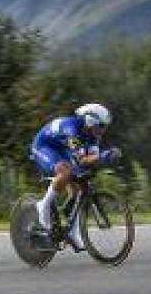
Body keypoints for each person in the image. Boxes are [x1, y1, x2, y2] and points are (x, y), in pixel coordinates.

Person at [30, 103, 121, 251]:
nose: (103, 130)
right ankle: (43, 205)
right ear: (90, 120)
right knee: (65, 172)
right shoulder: (71, 127)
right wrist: (104, 156)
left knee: (78, 188)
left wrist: (104, 158)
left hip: (62, 149)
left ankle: (72, 232)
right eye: (102, 126)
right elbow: (82, 159)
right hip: (43, 146)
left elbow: (91, 159)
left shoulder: (93, 135)